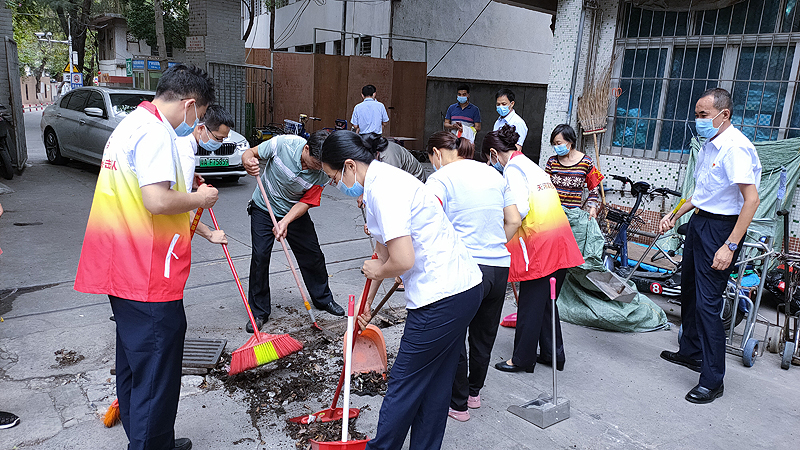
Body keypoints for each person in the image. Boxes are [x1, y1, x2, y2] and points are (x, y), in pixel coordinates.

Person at [74, 64, 219, 450]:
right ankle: (151, 445)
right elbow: (156, 199)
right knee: (157, 370)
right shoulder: (156, 133)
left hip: (121, 265)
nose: (195, 124)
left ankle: (148, 439)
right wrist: (200, 198)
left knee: (135, 364)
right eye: (198, 116)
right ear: (189, 105)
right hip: (147, 271)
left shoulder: (131, 122)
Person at [318, 131, 483, 450]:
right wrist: (366, 305)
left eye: (333, 176)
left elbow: (401, 260)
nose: (334, 184)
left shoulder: (385, 190)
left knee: (403, 386)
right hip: (463, 289)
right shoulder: (380, 182)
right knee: (435, 384)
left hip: (442, 299)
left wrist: (377, 270)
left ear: (350, 166)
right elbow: (383, 252)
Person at [659, 88, 761, 404]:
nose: (698, 120)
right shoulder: (710, 145)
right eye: (697, 114)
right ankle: (690, 352)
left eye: (704, 115)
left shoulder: (736, 149)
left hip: (722, 229)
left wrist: (730, 245)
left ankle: (713, 379)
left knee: (707, 302)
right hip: (701, 222)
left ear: (724, 114)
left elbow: (752, 200)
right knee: (688, 289)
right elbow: (702, 192)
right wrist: (674, 214)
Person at [424, 131, 520, 422]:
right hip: (499, 268)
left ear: (436, 153)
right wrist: (492, 244)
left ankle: (459, 403)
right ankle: (474, 393)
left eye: (431, 158)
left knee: (454, 336)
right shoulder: (493, 174)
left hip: (466, 269)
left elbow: (428, 224)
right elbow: (514, 220)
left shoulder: (440, 179)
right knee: (484, 335)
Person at [485, 125, 584, 374]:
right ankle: (553, 355)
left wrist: (498, 241)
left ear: (494, 154)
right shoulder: (531, 165)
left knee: (530, 304)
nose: (490, 163)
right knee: (547, 303)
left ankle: (521, 359)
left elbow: (518, 213)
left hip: (541, 246)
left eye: (489, 158)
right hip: (559, 239)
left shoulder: (513, 170)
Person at [241, 131, 344, 333]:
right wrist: (248, 161)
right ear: (306, 149)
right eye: (316, 163)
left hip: (293, 210)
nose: (318, 168)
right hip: (264, 207)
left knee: (312, 254)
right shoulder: (283, 144)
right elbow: (250, 153)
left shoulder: (324, 171)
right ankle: (259, 311)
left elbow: (306, 202)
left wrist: (285, 221)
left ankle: (323, 299)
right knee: (260, 256)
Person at [175, 103, 232, 244]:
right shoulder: (185, 154)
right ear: (200, 128)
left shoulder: (178, 139)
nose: (220, 143)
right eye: (218, 138)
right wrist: (210, 234)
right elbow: (180, 208)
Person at [545, 123, 602, 218]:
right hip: (552, 213)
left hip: (573, 215)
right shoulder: (552, 161)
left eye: (559, 143)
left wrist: (592, 207)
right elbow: (544, 185)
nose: (556, 147)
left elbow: (594, 185)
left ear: (570, 141)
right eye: (554, 144)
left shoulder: (586, 162)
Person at [361, 132, 427, 182]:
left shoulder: (388, 159)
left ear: (377, 153)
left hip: (416, 180)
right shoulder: (378, 148)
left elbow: (393, 183)